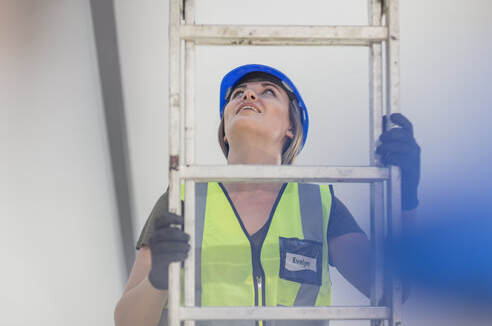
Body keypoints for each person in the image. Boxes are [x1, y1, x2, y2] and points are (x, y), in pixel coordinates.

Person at [114, 64, 421, 326]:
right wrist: (158, 278)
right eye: (239, 94)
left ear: (291, 126)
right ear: (224, 131)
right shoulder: (182, 200)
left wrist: (404, 199)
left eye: (268, 92)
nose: (248, 95)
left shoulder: (320, 206)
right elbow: (127, 320)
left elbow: (392, 288)